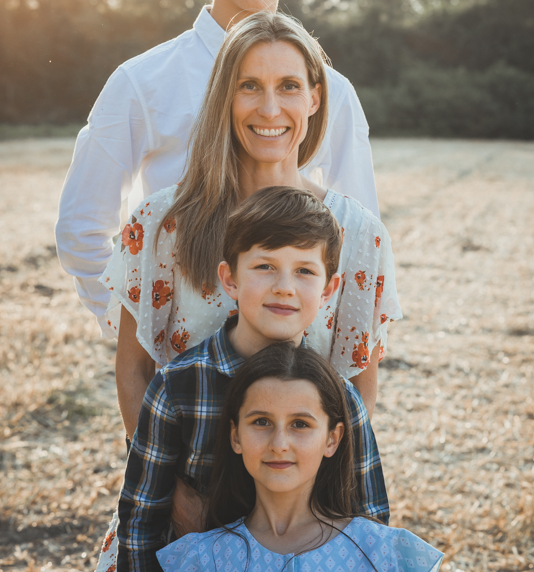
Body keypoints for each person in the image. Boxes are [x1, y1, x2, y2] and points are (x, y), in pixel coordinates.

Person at [55, 0, 379, 339]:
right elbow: (82, 228)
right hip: (178, 362)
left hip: (292, 370)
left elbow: (356, 240)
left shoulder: (331, 91)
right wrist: (141, 332)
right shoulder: (141, 82)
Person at [102, 12, 402, 442]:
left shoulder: (359, 234)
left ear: (315, 99)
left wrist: (312, 503)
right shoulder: (161, 223)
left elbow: (357, 390)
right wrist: (174, 496)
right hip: (180, 485)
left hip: (300, 496)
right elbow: (135, 371)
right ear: (225, 96)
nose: (269, 108)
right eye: (249, 86)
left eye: (289, 86)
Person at [101, 186, 390, 572]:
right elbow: (141, 523)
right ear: (230, 279)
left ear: (328, 290)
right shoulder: (177, 387)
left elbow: (370, 526)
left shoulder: (340, 400)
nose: (284, 286)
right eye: (264, 266)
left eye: (304, 270)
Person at [157, 342, 444, 572]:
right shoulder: (200, 559)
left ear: (332, 439)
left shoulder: (385, 554)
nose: (279, 444)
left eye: (300, 424)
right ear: (235, 436)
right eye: (261, 422)